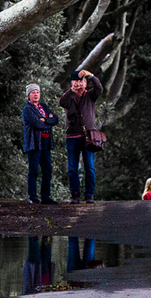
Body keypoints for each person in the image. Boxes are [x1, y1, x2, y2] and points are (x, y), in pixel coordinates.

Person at [57, 68, 104, 204]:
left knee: (89, 167)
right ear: (72, 83)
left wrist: (92, 76)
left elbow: (99, 89)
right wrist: (71, 90)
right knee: (72, 168)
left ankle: (89, 194)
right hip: (72, 136)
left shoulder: (90, 96)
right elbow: (61, 102)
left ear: (85, 82)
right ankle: (75, 194)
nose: (78, 83)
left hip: (88, 136)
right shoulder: (69, 97)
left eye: (81, 80)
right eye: (76, 81)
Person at [21, 83, 59, 204]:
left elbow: (55, 119)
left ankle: (45, 197)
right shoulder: (27, 109)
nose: (36, 94)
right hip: (34, 143)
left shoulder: (43, 106)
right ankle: (33, 197)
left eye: (37, 92)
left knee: (47, 170)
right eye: (33, 93)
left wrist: (46, 120)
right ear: (29, 95)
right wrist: (48, 122)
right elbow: (36, 123)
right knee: (34, 171)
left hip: (46, 143)